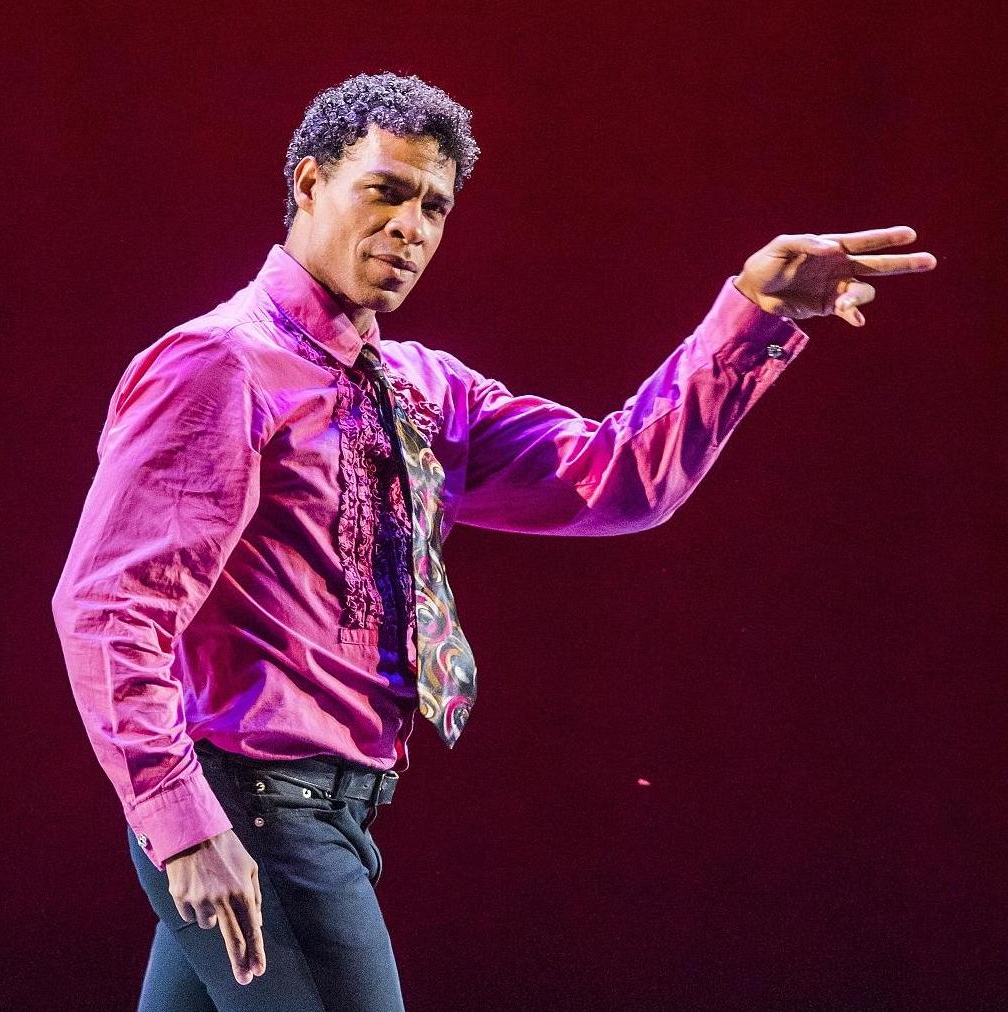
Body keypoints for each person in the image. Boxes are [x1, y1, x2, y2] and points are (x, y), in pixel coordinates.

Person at [49, 71, 935, 1012]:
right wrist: (182, 826)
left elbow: (616, 477)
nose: (412, 228)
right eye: (384, 192)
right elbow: (109, 608)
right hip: (258, 812)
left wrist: (751, 317)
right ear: (309, 185)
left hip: (327, 811)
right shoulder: (220, 364)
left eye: (434, 206)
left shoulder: (424, 388)